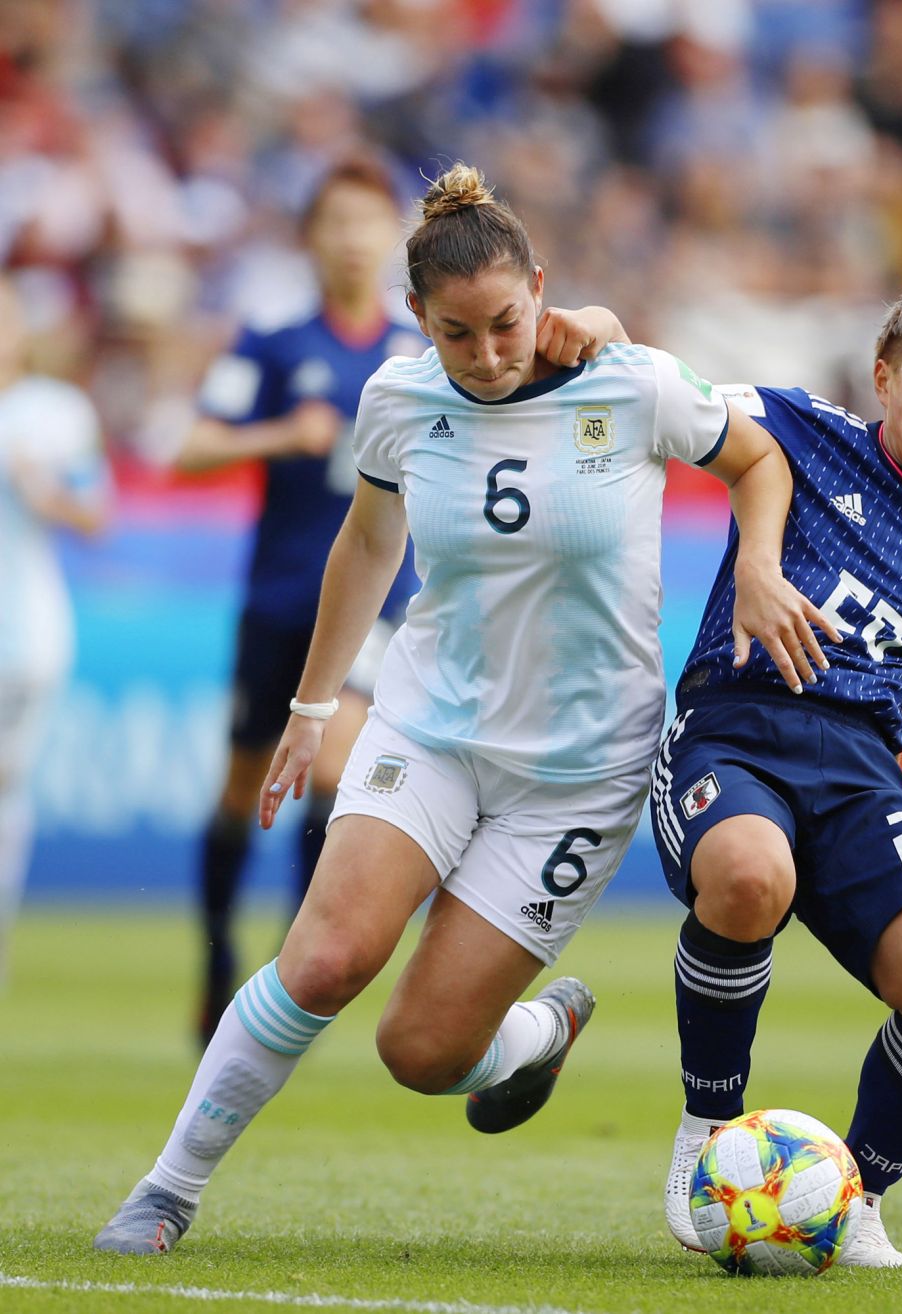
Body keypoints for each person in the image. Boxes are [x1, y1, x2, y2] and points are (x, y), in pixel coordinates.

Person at [93, 163, 824, 1254]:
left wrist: (759, 565)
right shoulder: (394, 401)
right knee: (327, 958)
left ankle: (538, 1029)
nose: (487, 356)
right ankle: (165, 1190)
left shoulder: (630, 382)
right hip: (429, 726)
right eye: (456, 335)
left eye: (507, 325)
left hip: (580, 772)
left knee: (421, 1052)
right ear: (416, 321)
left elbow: (759, 457)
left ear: (542, 287)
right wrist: (312, 700)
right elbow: (367, 542)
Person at [652, 273, 902, 1266]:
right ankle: (707, 1135)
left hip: (858, 769)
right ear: (884, 376)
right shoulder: (795, 422)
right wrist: (758, 567)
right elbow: (659, 382)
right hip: (734, 728)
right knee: (747, 878)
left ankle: (850, 1196)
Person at [178, 155, 426, 1046]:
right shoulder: (273, 341)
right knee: (245, 783)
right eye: (337, 222)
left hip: (374, 602)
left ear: (391, 237)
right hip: (279, 599)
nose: (353, 239)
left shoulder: (419, 346)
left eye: (368, 222)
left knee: (330, 771)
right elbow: (192, 447)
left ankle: (288, 976)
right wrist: (283, 432)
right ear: (312, 238)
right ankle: (214, 954)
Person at [0, 275, 110, 988]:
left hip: (22, 632)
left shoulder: (51, 411)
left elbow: (96, 513)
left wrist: (43, 489)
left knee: (7, 784)